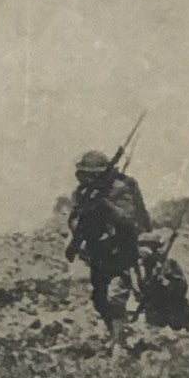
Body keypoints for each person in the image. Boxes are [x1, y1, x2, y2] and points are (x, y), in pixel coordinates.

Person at [65, 150, 152, 349]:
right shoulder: (82, 194)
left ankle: (122, 340)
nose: (83, 178)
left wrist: (104, 204)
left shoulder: (120, 189)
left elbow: (129, 218)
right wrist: (76, 242)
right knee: (99, 298)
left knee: (116, 297)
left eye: (89, 174)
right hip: (99, 252)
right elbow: (76, 220)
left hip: (122, 250)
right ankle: (117, 335)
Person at [135, 231, 189, 332]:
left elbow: (182, 286)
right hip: (155, 313)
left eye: (149, 246)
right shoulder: (139, 268)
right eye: (142, 246)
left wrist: (166, 282)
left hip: (175, 311)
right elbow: (141, 290)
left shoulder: (169, 264)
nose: (144, 250)